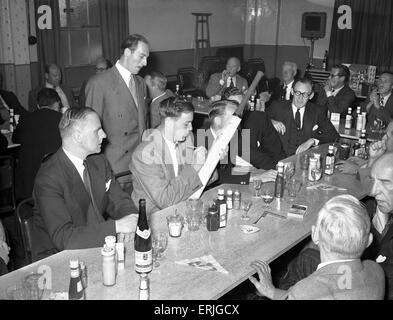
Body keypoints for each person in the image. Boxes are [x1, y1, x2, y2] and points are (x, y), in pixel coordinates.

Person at [32, 107, 138, 260]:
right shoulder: (48, 178)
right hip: (58, 258)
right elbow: (64, 238)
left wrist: (130, 219)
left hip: (98, 245)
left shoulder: (98, 161)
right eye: (97, 130)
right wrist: (117, 226)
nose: (104, 135)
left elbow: (119, 200)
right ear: (77, 136)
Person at [249, 195, 385, 300]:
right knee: (307, 257)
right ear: (369, 241)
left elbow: (304, 295)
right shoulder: (376, 271)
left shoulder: (304, 291)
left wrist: (271, 291)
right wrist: (273, 292)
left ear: (314, 235)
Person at [85, 34, 149, 192]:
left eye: (147, 58)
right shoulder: (99, 83)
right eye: (141, 57)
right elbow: (90, 133)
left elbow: (143, 124)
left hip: (140, 165)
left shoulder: (140, 83)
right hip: (115, 168)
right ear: (127, 52)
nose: (145, 63)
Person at [130, 97, 206, 215]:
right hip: (155, 219)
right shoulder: (144, 155)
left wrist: (212, 158)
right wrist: (195, 167)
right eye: (186, 124)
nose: (191, 128)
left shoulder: (185, 139)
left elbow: (206, 178)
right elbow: (165, 200)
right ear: (169, 123)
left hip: (182, 208)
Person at [202, 99, 278, 185]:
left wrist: (277, 167)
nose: (237, 123)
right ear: (218, 120)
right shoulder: (201, 142)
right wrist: (255, 178)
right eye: (232, 119)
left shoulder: (229, 137)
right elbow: (216, 177)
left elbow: (228, 171)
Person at [267, 78, 339, 156]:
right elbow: (257, 121)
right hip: (277, 158)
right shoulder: (277, 107)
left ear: (311, 96)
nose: (300, 98)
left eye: (305, 94)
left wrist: (313, 140)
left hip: (304, 159)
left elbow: (333, 135)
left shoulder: (317, 111)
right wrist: (271, 121)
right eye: (297, 93)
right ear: (292, 92)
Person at [12, 88, 62, 200]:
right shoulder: (62, 120)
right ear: (56, 104)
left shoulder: (25, 119)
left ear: (38, 105)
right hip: (54, 186)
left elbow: (15, 139)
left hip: (27, 187)